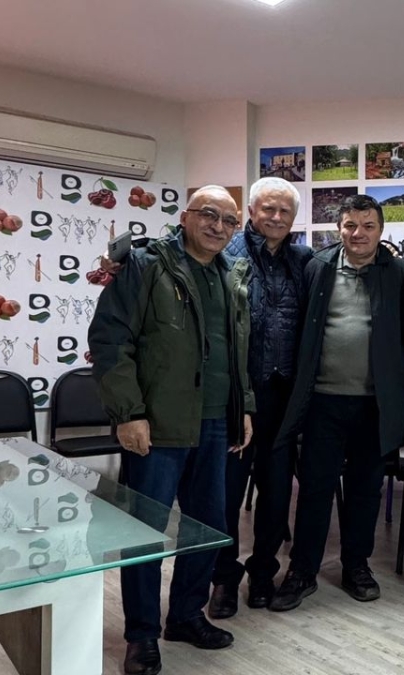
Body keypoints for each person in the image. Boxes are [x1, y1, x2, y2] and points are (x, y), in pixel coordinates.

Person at [89, 186, 254, 675]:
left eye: (229, 220)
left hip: (216, 424)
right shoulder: (146, 265)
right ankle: (141, 634)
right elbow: (110, 340)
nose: (218, 227)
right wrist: (128, 413)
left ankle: (185, 616)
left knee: (208, 530)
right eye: (209, 215)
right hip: (157, 425)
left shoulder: (231, 274)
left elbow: (237, 352)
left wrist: (243, 407)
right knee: (144, 533)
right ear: (185, 217)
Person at [268, 194, 404, 612]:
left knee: (366, 490)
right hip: (323, 402)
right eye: (350, 225)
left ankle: (356, 566)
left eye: (368, 226)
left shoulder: (400, 273)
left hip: (375, 405)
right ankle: (302, 571)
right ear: (339, 229)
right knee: (314, 489)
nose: (358, 234)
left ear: (381, 230)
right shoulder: (317, 266)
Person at [208, 177, 314, 617]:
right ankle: (223, 579)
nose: (276, 217)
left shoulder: (304, 261)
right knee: (226, 495)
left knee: (275, 494)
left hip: (282, 398)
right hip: (235, 397)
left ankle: (264, 572)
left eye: (284, 211)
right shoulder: (224, 252)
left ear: (294, 218)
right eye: (268, 208)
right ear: (250, 211)